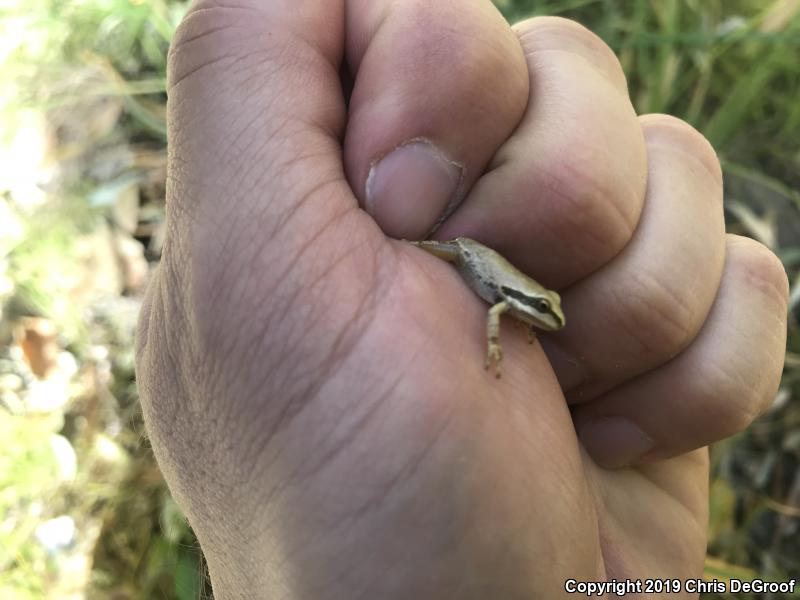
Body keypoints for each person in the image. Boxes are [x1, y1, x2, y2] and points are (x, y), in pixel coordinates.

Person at [135, 1, 789, 597]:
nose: (547, 321)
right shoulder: (506, 312)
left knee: (562, 200)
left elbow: (512, 312)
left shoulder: (527, 315)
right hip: (474, 259)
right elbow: (500, 310)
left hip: (496, 285)